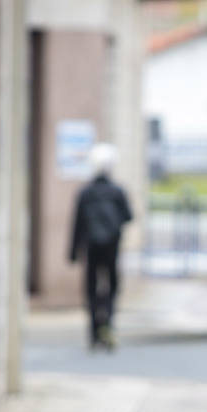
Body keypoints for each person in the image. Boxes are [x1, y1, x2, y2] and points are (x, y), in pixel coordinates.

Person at [69, 143, 132, 350]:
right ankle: (109, 323)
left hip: (91, 246)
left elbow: (77, 223)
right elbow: (128, 216)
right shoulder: (117, 191)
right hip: (112, 246)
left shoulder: (85, 193)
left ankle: (94, 331)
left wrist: (73, 251)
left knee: (91, 287)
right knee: (111, 286)